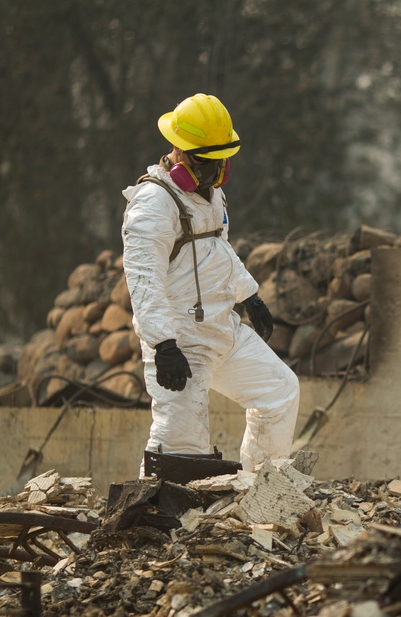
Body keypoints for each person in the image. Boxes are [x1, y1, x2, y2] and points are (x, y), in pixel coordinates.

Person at [120, 93, 300, 475]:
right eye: (205, 162)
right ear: (178, 151)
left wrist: (249, 296)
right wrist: (163, 344)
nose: (213, 172)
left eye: (220, 161)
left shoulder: (211, 195)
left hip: (222, 330)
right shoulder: (153, 204)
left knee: (279, 392)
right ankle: (143, 527)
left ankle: (260, 491)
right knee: (179, 449)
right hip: (182, 343)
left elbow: (217, 250)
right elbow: (143, 280)